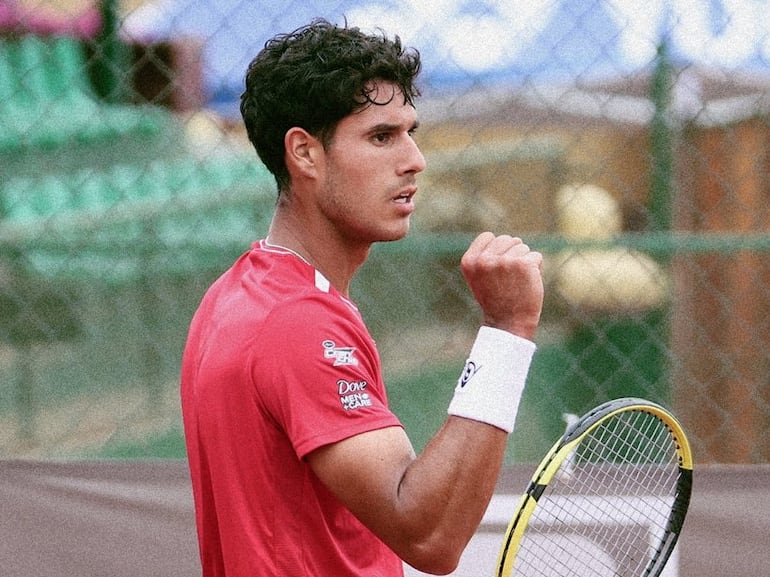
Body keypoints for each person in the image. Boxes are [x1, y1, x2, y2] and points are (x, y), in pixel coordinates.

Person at [180, 19, 544, 577]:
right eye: (380, 136)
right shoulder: (297, 321)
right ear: (304, 153)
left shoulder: (235, 294)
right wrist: (507, 329)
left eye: (410, 131)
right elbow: (428, 534)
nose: (414, 159)